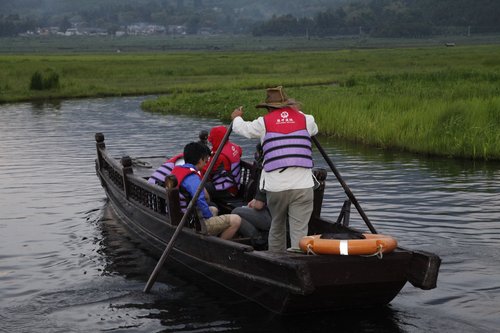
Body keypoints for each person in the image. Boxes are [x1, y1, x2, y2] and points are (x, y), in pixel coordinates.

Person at [230, 86, 318, 252]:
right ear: (288, 105)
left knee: (277, 225)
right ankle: (299, 260)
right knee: (300, 231)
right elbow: (314, 130)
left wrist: (236, 118)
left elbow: (243, 129)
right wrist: (297, 114)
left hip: (276, 187)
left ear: (269, 108)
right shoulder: (307, 119)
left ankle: (277, 259)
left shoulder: (264, 122)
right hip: (303, 186)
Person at [171, 142, 241, 240]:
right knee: (236, 220)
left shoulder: (176, 170)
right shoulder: (192, 178)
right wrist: (209, 218)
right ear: (200, 160)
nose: (206, 163)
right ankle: (217, 245)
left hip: (182, 215)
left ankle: (209, 237)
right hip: (191, 221)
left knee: (214, 209)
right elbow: (199, 200)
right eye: (206, 160)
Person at [202, 125, 243, 200]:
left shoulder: (219, 156)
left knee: (197, 188)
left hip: (227, 189)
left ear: (216, 139)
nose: (210, 141)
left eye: (212, 139)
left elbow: (204, 170)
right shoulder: (236, 147)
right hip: (235, 186)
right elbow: (239, 153)